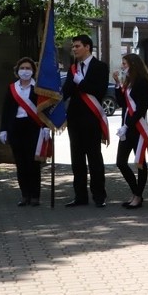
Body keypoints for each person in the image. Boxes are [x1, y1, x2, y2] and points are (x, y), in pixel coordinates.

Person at [61, 34, 109, 207]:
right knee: (77, 159)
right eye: (73, 46)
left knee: (94, 158)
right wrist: (54, 98)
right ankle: (80, 196)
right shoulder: (73, 67)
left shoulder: (100, 67)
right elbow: (66, 90)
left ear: (87, 47)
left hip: (91, 118)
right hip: (74, 118)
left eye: (77, 46)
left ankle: (99, 196)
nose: (74, 49)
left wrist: (81, 82)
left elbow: (99, 91)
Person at [0, 57, 48, 206]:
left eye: (28, 68)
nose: (25, 71)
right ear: (17, 70)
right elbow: (6, 110)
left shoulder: (38, 88)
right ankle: (25, 194)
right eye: (23, 68)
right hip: (16, 127)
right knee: (20, 164)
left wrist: (46, 126)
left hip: (33, 127)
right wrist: (3, 129)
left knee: (33, 163)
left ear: (33, 71)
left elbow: (45, 108)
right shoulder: (12, 88)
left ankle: (35, 195)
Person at [113, 53, 148, 210]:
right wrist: (117, 84)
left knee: (140, 163)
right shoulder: (128, 82)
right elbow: (123, 103)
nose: (122, 66)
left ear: (133, 64)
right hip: (126, 127)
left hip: (137, 127)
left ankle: (137, 196)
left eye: (124, 63)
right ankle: (136, 192)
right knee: (121, 162)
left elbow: (141, 109)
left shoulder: (142, 82)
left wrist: (128, 125)